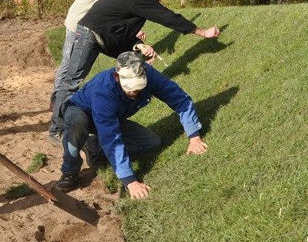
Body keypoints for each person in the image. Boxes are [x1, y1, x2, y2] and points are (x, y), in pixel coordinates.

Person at [49, 0, 220, 141]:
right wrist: (202, 32)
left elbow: (121, 28)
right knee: (72, 82)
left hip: (104, 35)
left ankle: (104, 115)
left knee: (132, 59)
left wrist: (138, 46)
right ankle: (57, 129)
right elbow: (168, 17)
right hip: (90, 34)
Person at [55, 51, 208, 199]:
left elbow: (180, 99)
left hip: (111, 118)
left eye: (139, 87)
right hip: (81, 112)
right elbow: (112, 139)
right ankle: (69, 171)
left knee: (152, 142)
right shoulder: (104, 92)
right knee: (77, 120)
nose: (135, 91)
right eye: (131, 87)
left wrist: (194, 137)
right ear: (117, 76)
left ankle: (93, 145)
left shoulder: (150, 74)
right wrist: (130, 181)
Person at [49, 0, 126, 110]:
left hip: (85, 25)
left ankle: (65, 97)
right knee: (68, 62)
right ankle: (55, 98)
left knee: (74, 65)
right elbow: (110, 11)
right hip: (75, 24)